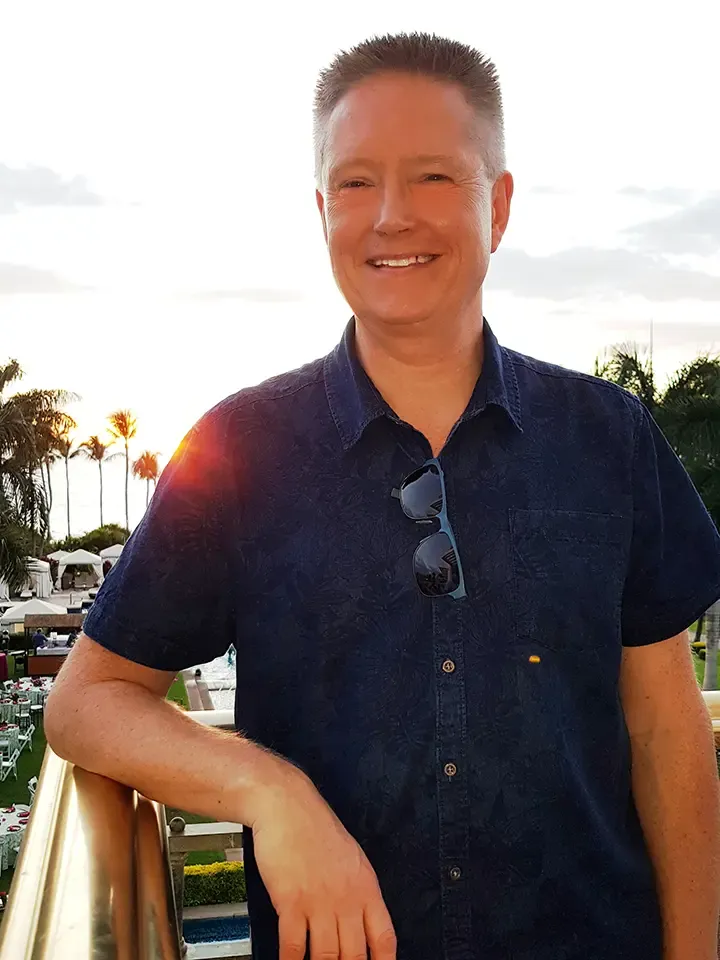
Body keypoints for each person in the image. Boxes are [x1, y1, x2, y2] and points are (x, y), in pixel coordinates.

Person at [45, 33, 720, 960]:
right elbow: (85, 702)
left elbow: (664, 725)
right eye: (356, 184)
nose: (391, 216)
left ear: (501, 205)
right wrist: (267, 791)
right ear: (322, 210)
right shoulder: (240, 448)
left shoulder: (609, 437)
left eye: (435, 178)